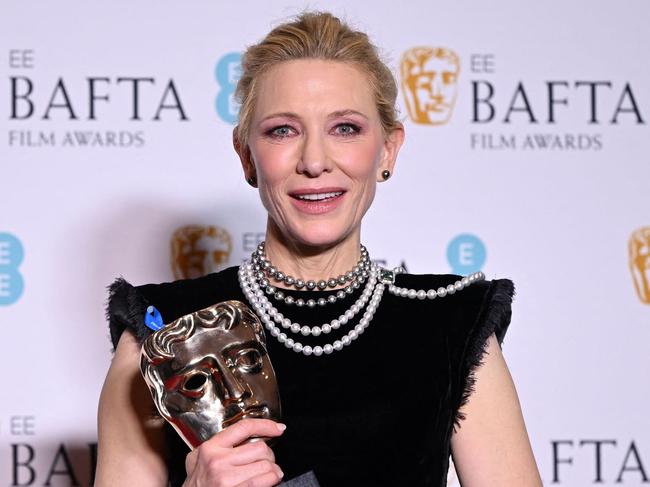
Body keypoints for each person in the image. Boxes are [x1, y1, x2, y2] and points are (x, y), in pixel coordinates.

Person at [96, 11, 543, 487]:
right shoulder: (164, 328)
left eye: (345, 128)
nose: (314, 161)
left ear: (388, 150)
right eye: (282, 130)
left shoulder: (452, 321)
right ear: (247, 155)